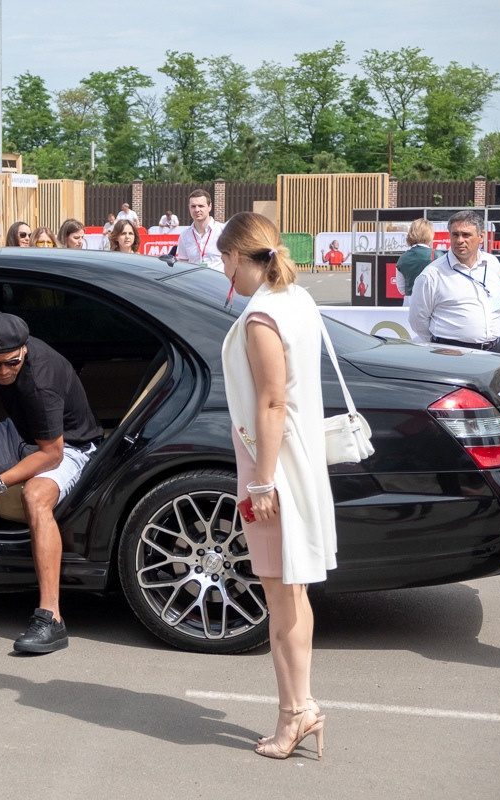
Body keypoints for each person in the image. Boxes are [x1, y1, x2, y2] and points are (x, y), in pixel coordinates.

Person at [219, 211, 336, 760]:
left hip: (275, 471)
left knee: (281, 598)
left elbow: (271, 401)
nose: (224, 271)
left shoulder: (263, 313)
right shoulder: (299, 299)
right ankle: (299, 705)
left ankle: (296, 713)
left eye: (224, 260)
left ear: (241, 258)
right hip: (296, 463)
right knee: (293, 595)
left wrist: (262, 481)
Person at [0, 313, 102, 654]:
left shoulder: (40, 383)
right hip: (18, 433)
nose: (3, 373)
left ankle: (51, 617)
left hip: (67, 447)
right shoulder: (2, 361)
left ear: (24, 350)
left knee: (35, 495)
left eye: (11, 363)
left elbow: (51, 455)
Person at [409, 210, 500, 354]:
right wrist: (440, 345)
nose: (460, 240)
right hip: (452, 354)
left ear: (481, 237)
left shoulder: (493, 264)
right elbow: (417, 320)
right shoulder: (432, 275)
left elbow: (498, 301)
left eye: (466, 235)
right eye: (455, 234)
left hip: (495, 350)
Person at [175, 189, 224, 270]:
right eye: (193, 206)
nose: (197, 210)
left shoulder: (223, 231)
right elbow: (184, 263)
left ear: (209, 207)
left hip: (219, 281)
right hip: (194, 281)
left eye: (201, 206)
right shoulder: (184, 236)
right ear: (189, 208)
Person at [394, 219, 434, 304]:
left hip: (410, 302)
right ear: (430, 235)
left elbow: (401, 289)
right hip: (432, 302)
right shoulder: (438, 255)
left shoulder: (402, 258)